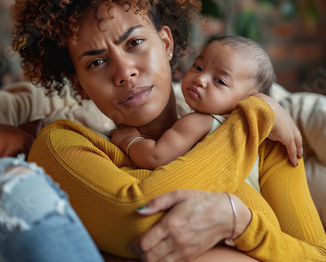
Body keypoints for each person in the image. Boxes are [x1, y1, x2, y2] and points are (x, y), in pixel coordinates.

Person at [0, 0, 326, 262]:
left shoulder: (269, 141)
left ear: (167, 43)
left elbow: (322, 259)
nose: (124, 72)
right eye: (95, 63)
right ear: (79, 85)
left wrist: (242, 222)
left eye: (135, 42)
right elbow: (136, 214)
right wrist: (255, 116)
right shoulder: (65, 144)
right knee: (0, 182)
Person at [110, 35, 286, 184]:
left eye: (220, 81)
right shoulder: (247, 133)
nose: (200, 79)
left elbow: (157, 157)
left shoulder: (198, 122)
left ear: (247, 101)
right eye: (198, 67)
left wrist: (130, 140)